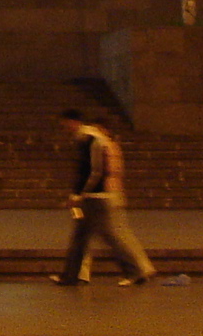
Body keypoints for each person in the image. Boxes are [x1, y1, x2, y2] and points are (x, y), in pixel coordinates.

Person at [52, 108, 156, 286]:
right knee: (81, 236)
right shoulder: (85, 138)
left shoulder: (91, 139)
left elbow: (93, 170)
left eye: (65, 125)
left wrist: (78, 195)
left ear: (73, 122)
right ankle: (70, 275)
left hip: (97, 197)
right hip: (93, 196)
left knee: (109, 235)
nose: (64, 129)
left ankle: (136, 271)